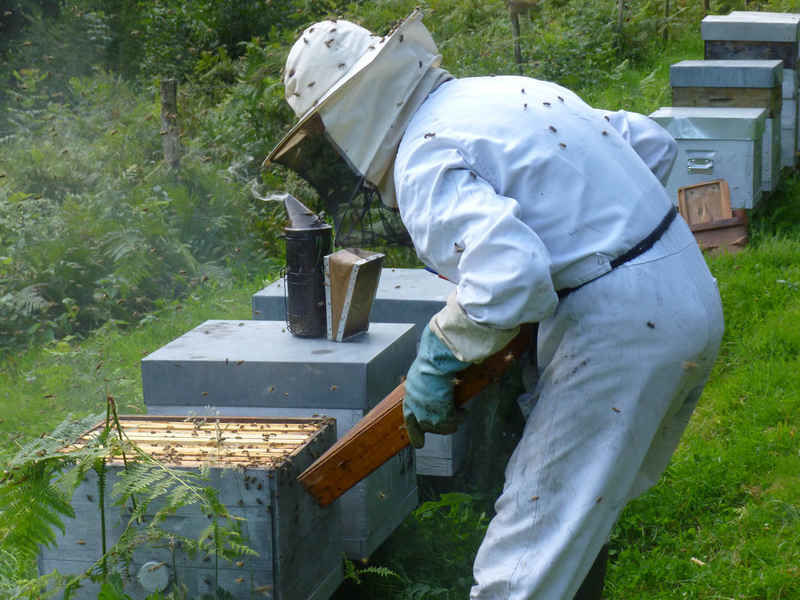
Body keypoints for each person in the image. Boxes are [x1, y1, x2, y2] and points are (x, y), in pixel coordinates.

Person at [266, 10, 724, 599]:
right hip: (684, 285)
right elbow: (649, 143)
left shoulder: (423, 157)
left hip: (622, 332)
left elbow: (511, 275)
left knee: (520, 568)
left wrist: (441, 350)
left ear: (346, 113)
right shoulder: (507, 92)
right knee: (576, 521)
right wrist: (593, 236)